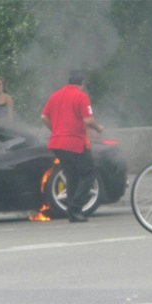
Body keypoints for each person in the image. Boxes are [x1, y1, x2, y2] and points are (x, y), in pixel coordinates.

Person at [41, 70, 104, 222]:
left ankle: (72, 212)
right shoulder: (81, 96)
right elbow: (88, 120)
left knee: (72, 175)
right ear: (82, 83)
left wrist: (55, 129)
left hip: (56, 142)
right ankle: (75, 206)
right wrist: (98, 128)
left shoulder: (56, 95)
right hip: (74, 142)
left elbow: (43, 116)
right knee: (89, 172)